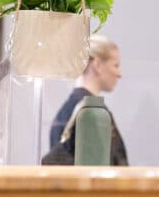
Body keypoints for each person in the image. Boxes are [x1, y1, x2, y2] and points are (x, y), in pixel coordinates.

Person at [44, 35, 129, 166]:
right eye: (115, 65)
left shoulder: (68, 110)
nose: (119, 74)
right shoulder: (92, 114)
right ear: (97, 65)